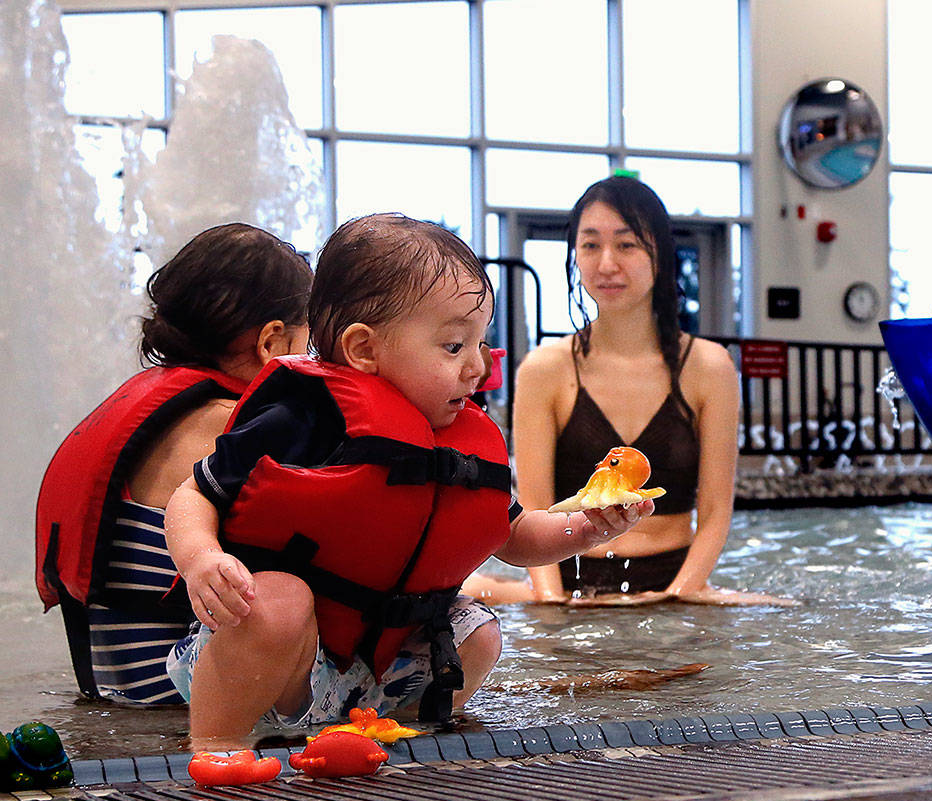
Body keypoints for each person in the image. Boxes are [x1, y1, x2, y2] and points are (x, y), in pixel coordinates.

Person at [162, 214, 653, 745]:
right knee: (279, 600)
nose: (478, 367)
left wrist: (587, 529)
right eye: (452, 347)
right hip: (272, 662)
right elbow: (194, 495)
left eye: (479, 343)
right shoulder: (305, 418)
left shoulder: (462, 439)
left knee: (479, 631)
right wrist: (201, 559)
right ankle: (217, 743)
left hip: (374, 671)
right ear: (364, 349)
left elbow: (513, 536)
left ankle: (397, 731)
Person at [463, 176, 790, 607]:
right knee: (458, 592)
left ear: (660, 254)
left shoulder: (709, 367)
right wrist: (554, 606)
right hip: (570, 581)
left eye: (627, 244)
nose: (607, 263)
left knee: (787, 609)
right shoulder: (546, 369)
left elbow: (714, 516)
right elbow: (534, 513)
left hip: (675, 578)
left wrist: (680, 596)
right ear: (574, 256)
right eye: (591, 245)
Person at [35, 223, 313, 705]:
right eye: (306, 338)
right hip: (179, 690)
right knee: (446, 642)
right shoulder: (236, 426)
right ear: (271, 342)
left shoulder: (142, 407)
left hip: (111, 680)